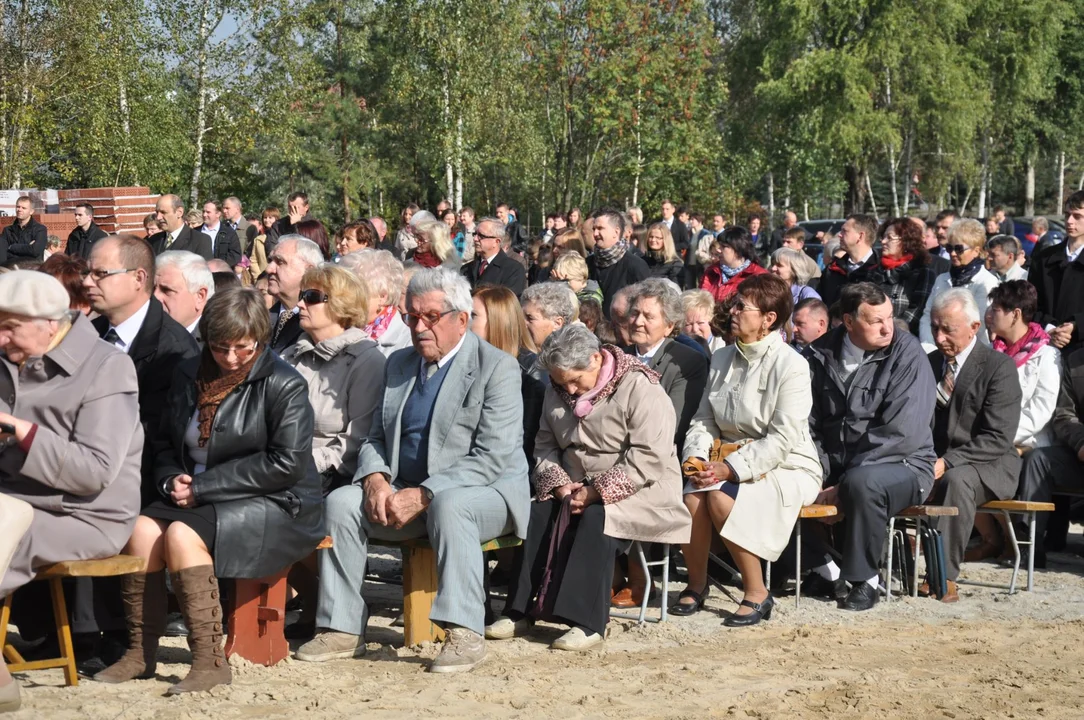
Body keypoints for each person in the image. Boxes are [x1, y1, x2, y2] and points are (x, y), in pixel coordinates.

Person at [296, 268, 529, 674]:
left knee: (451, 505)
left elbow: (491, 457)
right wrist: (375, 479)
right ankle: (342, 627)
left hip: (487, 494)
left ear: (461, 319)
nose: (419, 328)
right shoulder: (400, 363)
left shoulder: (498, 369)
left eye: (431, 317)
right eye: (411, 317)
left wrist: (424, 493)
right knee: (341, 503)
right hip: (407, 489)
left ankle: (464, 632)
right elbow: (374, 437)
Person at [93, 287, 323, 694]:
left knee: (181, 535)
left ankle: (208, 660)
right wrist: (169, 480)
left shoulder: (284, 383)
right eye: (220, 348)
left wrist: (203, 486)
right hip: (198, 490)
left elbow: (286, 463)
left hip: (275, 499)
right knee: (142, 530)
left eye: (243, 348)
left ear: (260, 341)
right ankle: (140, 652)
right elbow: (164, 443)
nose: (231, 358)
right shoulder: (188, 371)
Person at [486, 325, 690, 650]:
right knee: (537, 511)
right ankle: (519, 611)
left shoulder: (640, 387)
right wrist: (558, 484)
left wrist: (596, 491)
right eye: (560, 380)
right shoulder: (557, 387)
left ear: (596, 359)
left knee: (598, 518)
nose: (569, 388)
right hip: (573, 484)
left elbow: (650, 457)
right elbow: (544, 443)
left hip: (641, 488)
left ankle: (587, 622)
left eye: (575, 380)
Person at [0, 272, 142, 711]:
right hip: (13, 498)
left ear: (49, 323)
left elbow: (95, 471)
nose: (0, 338)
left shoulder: (107, 366)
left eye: (9, 327)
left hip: (85, 514)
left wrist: (24, 435)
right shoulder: (7, 356)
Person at [677, 274, 822, 623]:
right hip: (724, 459)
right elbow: (704, 419)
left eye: (743, 306)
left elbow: (783, 438)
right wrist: (696, 457)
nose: (734, 310)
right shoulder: (723, 356)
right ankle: (697, 584)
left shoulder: (793, 366)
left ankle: (757, 592)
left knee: (720, 496)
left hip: (788, 466)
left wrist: (732, 469)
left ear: (768, 319)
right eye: (736, 302)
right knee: (692, 495)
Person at [804, 283, 937, 611]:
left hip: (903, 466)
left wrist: (845, 479)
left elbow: (901, 433)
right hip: (836, 464)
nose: (887, 326)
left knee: (863, 483)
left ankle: (866, 580)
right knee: (788, 478)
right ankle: (824, 568)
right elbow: (806, 424)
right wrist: (817, 469)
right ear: (848, 322)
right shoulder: (818, 355)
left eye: (890, 317)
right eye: (876, 320)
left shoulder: (908, 353)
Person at [924, 289, 1022, 602]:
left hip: (989, 464)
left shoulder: (998, 367)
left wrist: (947, 461)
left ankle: (943, 575)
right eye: (934, 327)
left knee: (956, 479)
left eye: (948, 330)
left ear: (974, 328)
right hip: (936, 459)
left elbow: (997, 437)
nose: (939, 338)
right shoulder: (928, 363)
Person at [87, 234, 201, 498]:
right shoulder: (89, 333)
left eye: (100, 273)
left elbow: (158, 436)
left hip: (133, 486)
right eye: (88, 272)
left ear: (138, 278)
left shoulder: (174, 350)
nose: (87, 282)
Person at [969, 281, 1060, 562]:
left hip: (1028, 440)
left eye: (996, 309)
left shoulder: (1046, 355)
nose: (990, 315)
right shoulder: (990, 351)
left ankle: (1009, 540)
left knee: (983, 463)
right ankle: (993, 538)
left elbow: (1041, 409)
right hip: (992, 435)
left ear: (1016, 314)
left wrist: (1000, 434)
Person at [284, 265, 386, 493]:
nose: (300, 304)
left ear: (341, 306)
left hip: (323, 478)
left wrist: (298, 463)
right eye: (302, 296)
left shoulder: (366, 362)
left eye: (311, 297)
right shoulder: (290, 355)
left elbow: (356, 442)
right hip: (276, 466)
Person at [471, 285, 545, 464]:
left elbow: (526, 442)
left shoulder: (531, 372)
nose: (462, 320)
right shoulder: (468, 360)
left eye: (473, 315)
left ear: (497, 321)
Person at [920, 219, 999, 348]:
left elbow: (979, 324)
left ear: (976, 250)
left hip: (972, 351)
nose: (952, 253)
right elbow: (927, 315)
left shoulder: (987, 282)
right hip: (937, 347)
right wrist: (929, 346)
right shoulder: (942, 279)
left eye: (959, 249)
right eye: (949, 248)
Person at [1028, 190, 1084, 352]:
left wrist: (1076, 325)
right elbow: (1031, 304)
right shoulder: (1044, 258)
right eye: (1067, 215)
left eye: (1077, 216)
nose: (1069, 221)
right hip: (1046, 346)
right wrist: (1049, 328)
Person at [338, 249, 412, 357]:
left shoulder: (406, 343)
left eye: (355, 291)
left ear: (382, 297)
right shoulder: (338, 326)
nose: (345, 298)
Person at [877, 217, 939, 336]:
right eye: (883, 237)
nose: (883, 242)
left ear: (906, 241)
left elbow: (916, 312)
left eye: (889, 237)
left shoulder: (922, 274)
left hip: (903, 339)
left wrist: (892, 330)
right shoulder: (875, 271)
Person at [265, 235, 324, 353]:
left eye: (280, 261)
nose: (269, 269)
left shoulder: (321, 324)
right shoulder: (261, 319)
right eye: (270, 261)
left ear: (309, 270)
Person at [587, 209, 650, 315]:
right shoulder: (588, 263)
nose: (595, 233)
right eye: (594, 229)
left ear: (616, 232)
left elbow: (646, 302)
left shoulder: (635, 266)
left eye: (600, 228)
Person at [818, 214, 880, 308]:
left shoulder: (881, 270)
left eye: (844, 231)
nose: (839, 235)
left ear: (860, 236)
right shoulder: (833, 268)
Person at [154, 251, 215, 340]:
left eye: (166, 290)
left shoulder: (216, 345)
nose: (155, 296)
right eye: (152, 288)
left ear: (200, 296)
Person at [461, 216, 527, 296]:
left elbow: (508, 304)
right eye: (475, 234)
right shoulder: (466, 269)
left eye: (481, 236)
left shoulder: (513, 270)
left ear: (496, 241)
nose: (475, 239)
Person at [700, 227, 767, 303]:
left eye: (723, 246)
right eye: (719, 245)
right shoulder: (711, 272)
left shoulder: (759, 277)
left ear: (738, 248)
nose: (718, 250)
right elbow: (702, 303)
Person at [521, 282, 579, 356]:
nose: (522, 323)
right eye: (520, 316)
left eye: (530, 318)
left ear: (557, 323)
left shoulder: (571, 361)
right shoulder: (512, 355)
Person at [148, 195, 212, 260]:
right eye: (157, 212)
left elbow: (203, 268)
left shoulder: (200, 240)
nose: (158, 217)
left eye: (163, 212)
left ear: (179, 212)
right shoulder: (154, 240)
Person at [0, 196, 47, 264]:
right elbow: (2, 255)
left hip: (32, 271)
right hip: (11, 270)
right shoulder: (7, 230)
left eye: (23, 208)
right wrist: (28, 247)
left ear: (31, 211)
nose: (19, 209)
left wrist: (12, 247)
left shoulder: (40, 229)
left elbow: (35, 251)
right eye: (18, 207)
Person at [681, 289, 726, 354]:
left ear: (711, 321)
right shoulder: (677, 345)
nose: (695, 329)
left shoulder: (721, 347)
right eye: (688, 324)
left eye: (700, 323)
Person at [200, 201, 243, 268]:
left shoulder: (229, 233)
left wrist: (217, 266)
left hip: (220, 274)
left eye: (208, 212)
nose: (204, 215)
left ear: (218, 214)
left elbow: (235, 255)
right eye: (203, 211)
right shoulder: (195, 232)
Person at [643, 223, 684, 287]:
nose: (653, 240)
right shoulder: (642, 260)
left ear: (666, 240)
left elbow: (675, 291)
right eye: (651, 237)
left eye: (658, 238)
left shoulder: (675, 264)